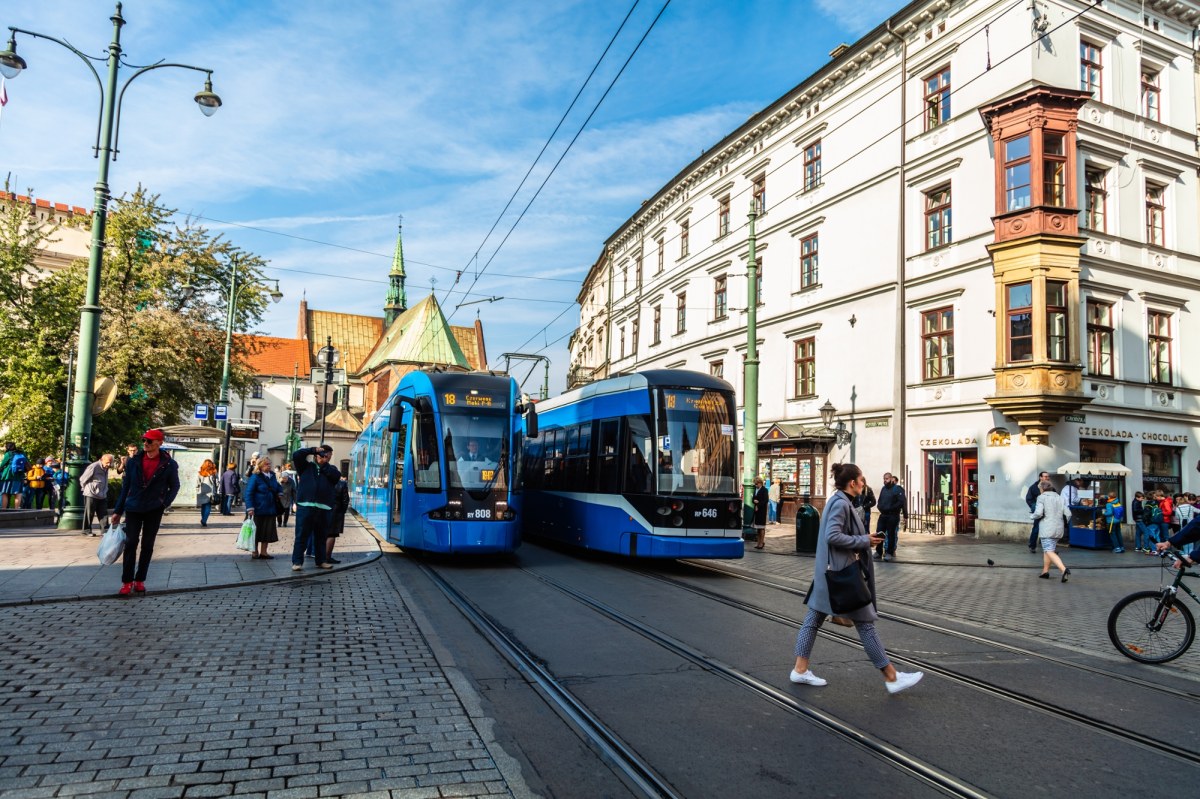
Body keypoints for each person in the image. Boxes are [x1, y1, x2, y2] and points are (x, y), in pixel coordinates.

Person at [789, 462, 924, 694]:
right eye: (861, 480)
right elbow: (833, 535)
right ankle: (891, 677)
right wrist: (864, 541)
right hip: (842, 576)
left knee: (812, 620)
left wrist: (863, 537)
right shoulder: (841, 503)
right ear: (852, 483)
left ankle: (800, 670)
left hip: (828, 575)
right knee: (865, 624)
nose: (864, 484)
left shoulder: (836, 500)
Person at [110, 429, 180, 596]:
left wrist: (164, 503)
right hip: (133, 507)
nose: (146, 444)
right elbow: (125, 487)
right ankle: (126, 581)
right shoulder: (133, 462)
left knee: (147, 545)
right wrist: (118, 511)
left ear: (159, 443)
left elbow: (175, 486)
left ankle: (140, 579)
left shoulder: (169, 464)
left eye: (149, 441)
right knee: (131, 542)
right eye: (144, 441)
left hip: (154, 509)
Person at [291, 444, 341, 571]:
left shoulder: (331, 469)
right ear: (316, 455)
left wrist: (324, 465)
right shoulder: (305, 467)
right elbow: (296, 455)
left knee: (321, 536)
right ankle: (297, 562)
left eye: (328, 455)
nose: (325, 457)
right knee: (301, 535)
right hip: (305, 506)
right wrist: (312, 450)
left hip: (324, 507)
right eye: (323, 454)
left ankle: (321, 561)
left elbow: (335, 477)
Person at [1031, 480, 1072, 582]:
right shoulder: (1059, 497)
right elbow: (1069, 513)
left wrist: (1032, 516)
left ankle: (1063, 570)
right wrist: (1063, 522)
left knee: (1049, 550)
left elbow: (1039, 513)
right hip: (1058, 528)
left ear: (1042, 489)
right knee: (1048, 550)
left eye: (1040, 488)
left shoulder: (1041, 497)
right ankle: (1045, 572)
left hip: (1047, 528)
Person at [244, 458, 282, 560]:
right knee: (256, 531)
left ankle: (264, 552)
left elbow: (277, 486)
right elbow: (248, 493)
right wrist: (250, 507)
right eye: (266, 464)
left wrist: (280, 492)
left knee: (267, 531)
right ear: (260, 466)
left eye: (269, 464)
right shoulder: (255, 477)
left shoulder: (273, 476)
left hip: (270, 508)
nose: (269, 466)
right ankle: (254, 551)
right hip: (257, 508)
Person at [874, 472, 907, 562]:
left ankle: (889, 552)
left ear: (891, 479)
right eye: (884, 479)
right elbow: (880, 500)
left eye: (887, 479)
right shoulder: (883, 489)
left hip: (893, 515)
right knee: (879, 532)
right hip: (883, 515)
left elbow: (901, 502)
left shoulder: (897, 489)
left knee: (891, 534)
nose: (885, 481)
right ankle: (878, 551)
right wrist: (880, 507)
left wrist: (893, 509)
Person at [80, 453, 115, 535]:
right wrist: (87, 489)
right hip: (91, 494)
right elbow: (82, 479)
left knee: (103, 513)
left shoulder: (106, 468)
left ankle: (105, 531)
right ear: (102, 460)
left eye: (110, 462)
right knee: (89, 513)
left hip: (102, 494)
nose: (109, 464)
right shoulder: (94, 466)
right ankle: (86, 530)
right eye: (107, 462)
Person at [325, 475, 351, 565]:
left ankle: (320, 556)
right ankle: (327, 557)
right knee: (332, 534)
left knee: (323, 534)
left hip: (323, 510)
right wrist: (342, 511)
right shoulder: (342, 484)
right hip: (336, 512)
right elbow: (345, 500)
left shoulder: (323, 482)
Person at [1026, 470, 1050, 552]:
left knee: (1048, 528)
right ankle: (1032, 545)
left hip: (1048, 510)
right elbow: (1028, 499)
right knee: (1036, 528)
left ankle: (1049, 547)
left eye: (1048, 476)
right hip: (1039, 510)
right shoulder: (1033, 487)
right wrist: (1034, 507)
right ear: (1041, 477)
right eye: (1046, 476)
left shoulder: (1050, 487)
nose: (1048, 478)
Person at [0, 442, 24, 509]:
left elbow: (2, 464)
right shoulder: (21, 453)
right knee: (18, 493)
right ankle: (17, 509)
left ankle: (4, 510)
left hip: (9, 475)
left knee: (5, 493)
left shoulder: (8, 454)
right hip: (19, 476)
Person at [195, 459, 218, 527]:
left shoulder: (200, 473)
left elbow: (197, 483)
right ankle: (204, 520)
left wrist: (197, 490)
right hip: (211, 491)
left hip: (202, 490)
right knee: (208, 506)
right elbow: (217, 482)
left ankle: (203, 519)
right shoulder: (214, 472)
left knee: (203, 506)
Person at [751, 477, 769, 550]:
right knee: (758, 528)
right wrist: (754, 501)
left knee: (761, 527)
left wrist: (758, 504)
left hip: (762, 510)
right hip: (756, 510)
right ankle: (758, 543)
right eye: (755, 484)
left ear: (760, 483)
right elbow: (753, 499)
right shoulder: (755, 489)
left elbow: (765, 500)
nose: (755, 485)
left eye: (756, 484)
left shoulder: (764, 490)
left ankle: (761, 543)